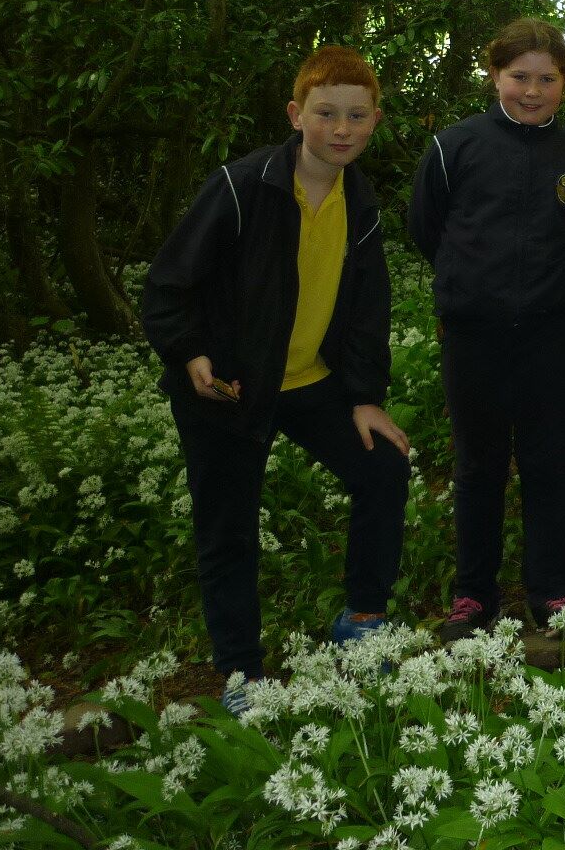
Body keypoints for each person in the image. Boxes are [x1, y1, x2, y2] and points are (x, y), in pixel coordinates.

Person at [142, 45, 410, 714]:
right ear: (297, 115)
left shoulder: (363, 200)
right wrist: (191, 354)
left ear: (374, 121)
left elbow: (366, 310)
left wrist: (364, 398)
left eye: (355, 116)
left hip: (310, 381)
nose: (341, 129)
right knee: (228, 528)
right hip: (227, 386)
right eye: (326, 114)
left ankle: (362, 624)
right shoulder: (241, 186)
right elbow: (169, 284)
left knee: (384, 468)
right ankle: (242, 677)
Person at [409, 19, 565, 641]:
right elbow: (426, 230)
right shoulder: (453, 146)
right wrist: (472, 288)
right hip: (474, 335)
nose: (532, 90)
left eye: (547, 79)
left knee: (547, 464)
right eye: (520, 77)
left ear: (564, 84)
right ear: (495, 76)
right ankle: (474, 594)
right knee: (479, 464)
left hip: (550, 336)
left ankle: (550, 589)